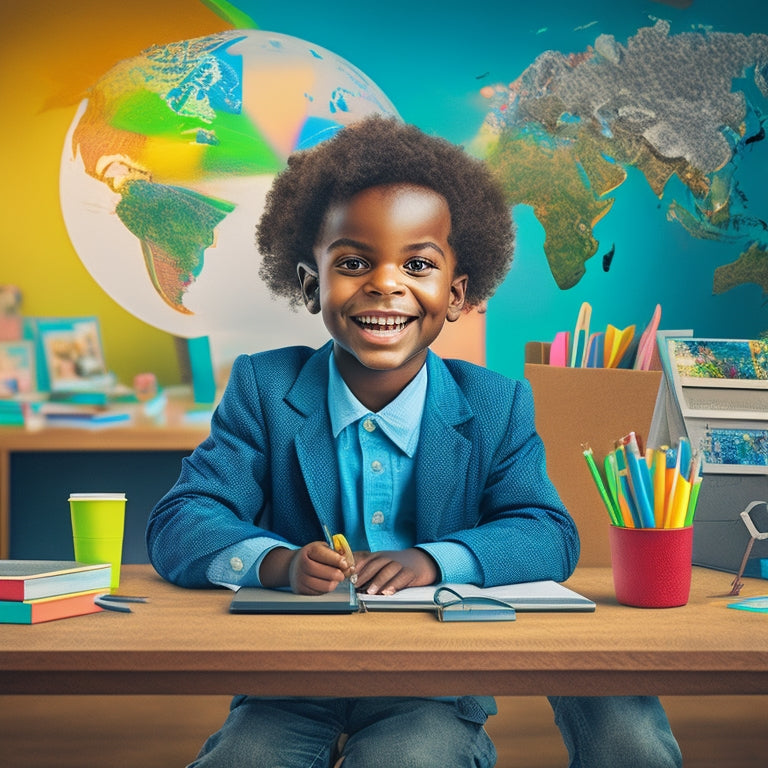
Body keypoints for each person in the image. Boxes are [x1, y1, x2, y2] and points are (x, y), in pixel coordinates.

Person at [146, 116, 682, 768]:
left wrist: (435, 561)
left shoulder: (493, 404)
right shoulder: (264, 388)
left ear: (455, 295)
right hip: (290, 686)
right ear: (312, 285)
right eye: (353, 262)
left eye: (418, 264)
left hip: (431, 690)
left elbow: (547, 532)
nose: (385, 283)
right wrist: (276, 564)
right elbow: (182, 521)